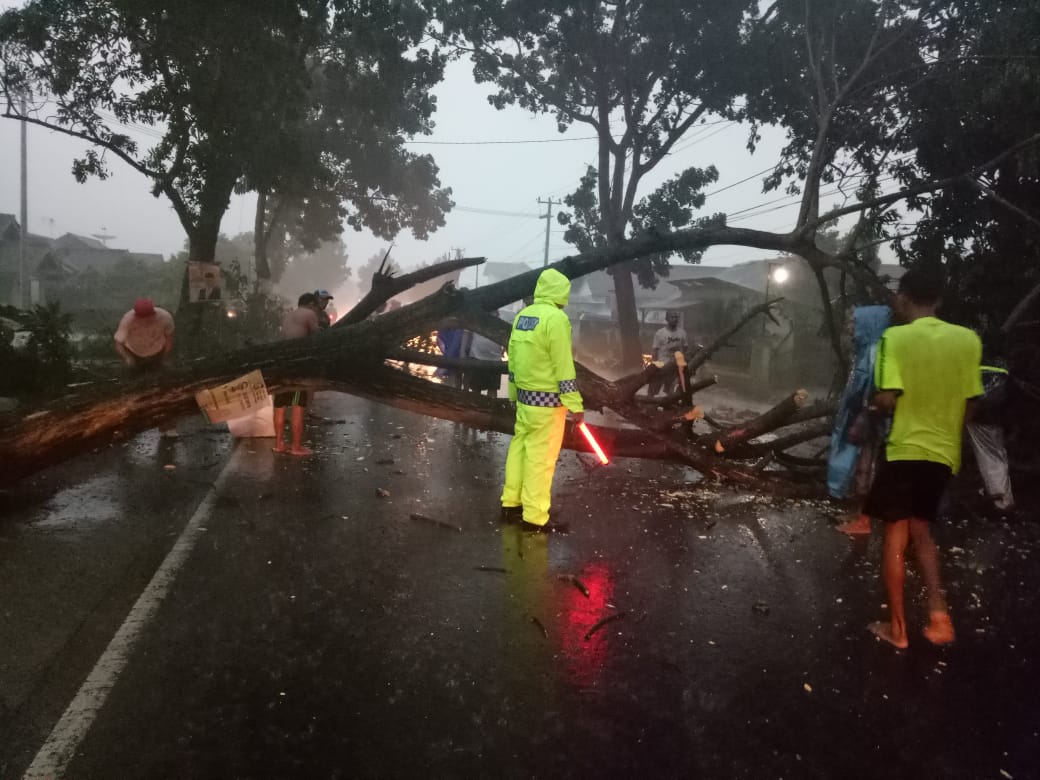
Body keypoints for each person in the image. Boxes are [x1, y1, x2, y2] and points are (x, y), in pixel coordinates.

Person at [862, 268, 982, 649]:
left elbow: (888, 397)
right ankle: (939, 617)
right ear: (940, 300)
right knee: (923, 533)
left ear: (902, 298)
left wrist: (874, 405)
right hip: (943, 454)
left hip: (904, 451)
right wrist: (953, 445)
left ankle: (897, 630)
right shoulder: (967, 340)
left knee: (895, 537)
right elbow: (971, 402)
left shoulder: (894, 338)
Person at [501, 268, 584, 533]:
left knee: (519, 450)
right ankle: (535, 517)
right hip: (547, 405)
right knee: (540, 459)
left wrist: (514, 392)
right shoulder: (556, 319)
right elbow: (563, 365)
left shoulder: (523, 316)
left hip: (525, 399)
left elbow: (512, 357)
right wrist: (574, 404)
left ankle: (510, 504)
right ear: (560, 292)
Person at [827, 305, 892, 534]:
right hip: (861, 418)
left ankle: (863, 520)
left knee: (865, 468)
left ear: (868, 324)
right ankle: (857, 513)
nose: (850, 327)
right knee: (858, 468)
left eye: (854, 322)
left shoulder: (874, 353)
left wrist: (861, 414)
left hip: (868, 421)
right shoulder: (866, 350)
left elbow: (870, 390)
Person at [114, 298, 177, 435]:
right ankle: (127, 426)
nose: (144, 320)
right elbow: (118, 343)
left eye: (147, 317)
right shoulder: (128, 320)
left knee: (166, 389)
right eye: (141, 317)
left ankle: (167, 426)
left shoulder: (164, 317)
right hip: (135, 354)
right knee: (130, 390)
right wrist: (127, 357)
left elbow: (169, 338)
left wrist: (164, 357)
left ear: (153, 313)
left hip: (157, 353)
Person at [272, 293, 320, 456]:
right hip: (297, 366)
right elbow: (317, 336)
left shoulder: (289, 315)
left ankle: (279, 444)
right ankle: (296, 447)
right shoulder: (310, 314)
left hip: (281, 365)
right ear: (311, 304)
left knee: (279, 407)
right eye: (315, 306)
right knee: (297, 407)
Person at [464, 311, 505, 397]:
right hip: (476, 356)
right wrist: (463, 351)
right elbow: (467, 333)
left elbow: (506, 336)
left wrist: (505, 349)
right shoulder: (476, 317)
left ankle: (491, 408)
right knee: (476, 388)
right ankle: (475, 408)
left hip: (495, 359)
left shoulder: (500, 321)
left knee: (493, 388)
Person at [648, 311, 689, 397]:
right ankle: (649, 402)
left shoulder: (682, 333)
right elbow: (655, 350)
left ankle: (668, 406)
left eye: (676, 317)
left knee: (671, 390)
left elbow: (685, 349)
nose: (675, 319)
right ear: (667, 319)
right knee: (653, 389)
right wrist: (654, 364)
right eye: (672, 317)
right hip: (662, 365)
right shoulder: (660, 333)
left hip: (675, 366)